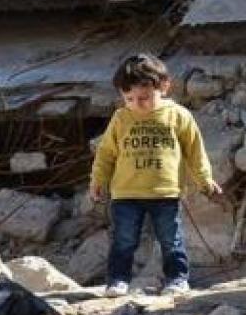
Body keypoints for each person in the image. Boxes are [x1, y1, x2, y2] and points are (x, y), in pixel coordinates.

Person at [89, 52, 222, 296]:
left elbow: (194, 151)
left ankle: (177, 279)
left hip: (165, 193)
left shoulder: (178, 116)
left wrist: (205, 179)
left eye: (144, 97)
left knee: (171, 239)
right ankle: (118, 280)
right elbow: (106, 153)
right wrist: (98, 180)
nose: (136, 104)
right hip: (126, 194)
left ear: (164, 87)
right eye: (129, 98)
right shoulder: (120, 119)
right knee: (124, 240)